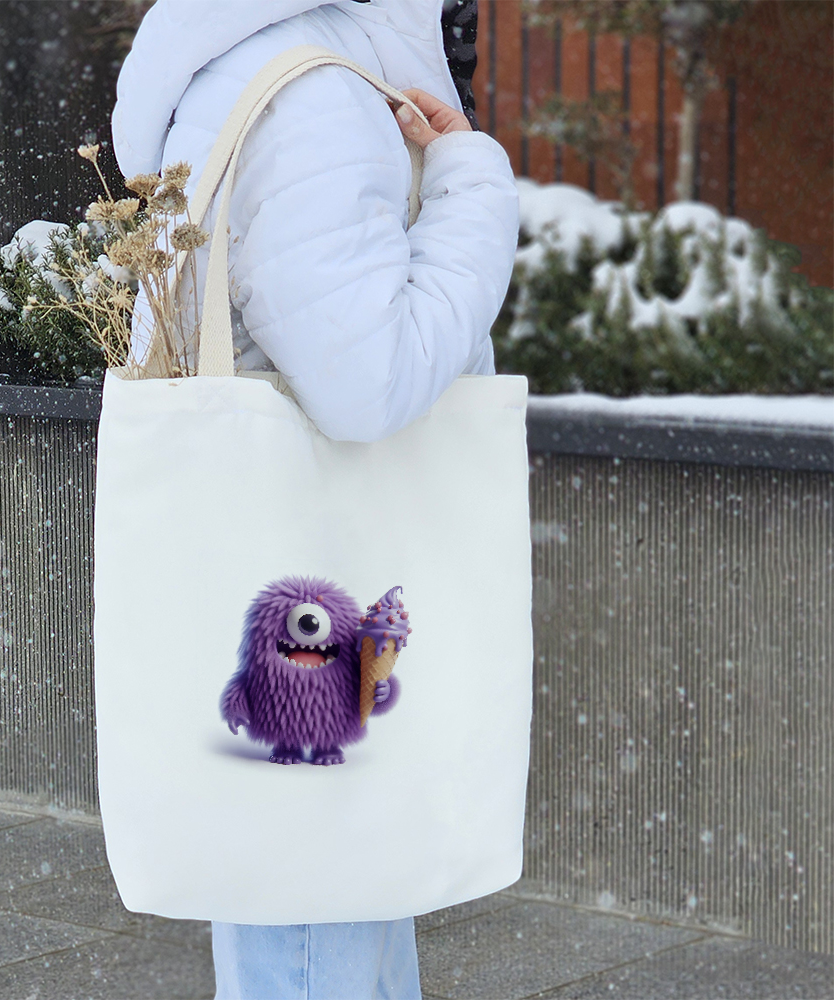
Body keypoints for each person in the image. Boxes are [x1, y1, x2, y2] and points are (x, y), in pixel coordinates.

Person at [112, 1, 519, 996]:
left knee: (324, 885)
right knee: (316, 911)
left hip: (293, 576)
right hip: (324, 584)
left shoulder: (264, 60)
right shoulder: (313, 95)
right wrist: (471, 186)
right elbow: (366, 384)